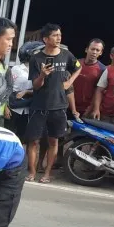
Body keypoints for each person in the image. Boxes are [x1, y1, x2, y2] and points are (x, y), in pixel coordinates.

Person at [25, 23, 81, 183]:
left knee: (53, 141)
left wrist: (70, 81)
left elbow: (78, 67)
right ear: (45, 39)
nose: (59, 38)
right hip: (39, 106)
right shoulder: (36, 58)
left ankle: (47, 173)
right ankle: (32, 172)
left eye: (59, 35)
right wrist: (42, 75)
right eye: (55, 35)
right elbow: (35, 86)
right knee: (34, 140)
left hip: (59, 105)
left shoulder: (66, 55)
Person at [8, 41, 42, 144]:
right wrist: (6, 107)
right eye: (37, 53)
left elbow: (40, 89)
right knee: (10, 134)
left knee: (22, 137)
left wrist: (27, 92)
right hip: (14, 107)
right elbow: (8, 88)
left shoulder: (39, 71)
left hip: (28, 108)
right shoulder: (16, 69)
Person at [72, 39, 106, 117]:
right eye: (92, 49)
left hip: (87, 110)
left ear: (101, 53)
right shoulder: (76, 63)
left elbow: (99, 91)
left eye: (97, 50)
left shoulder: (102, 69)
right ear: (86, 49)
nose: (94, 52)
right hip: (69, 105)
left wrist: (91, 109)